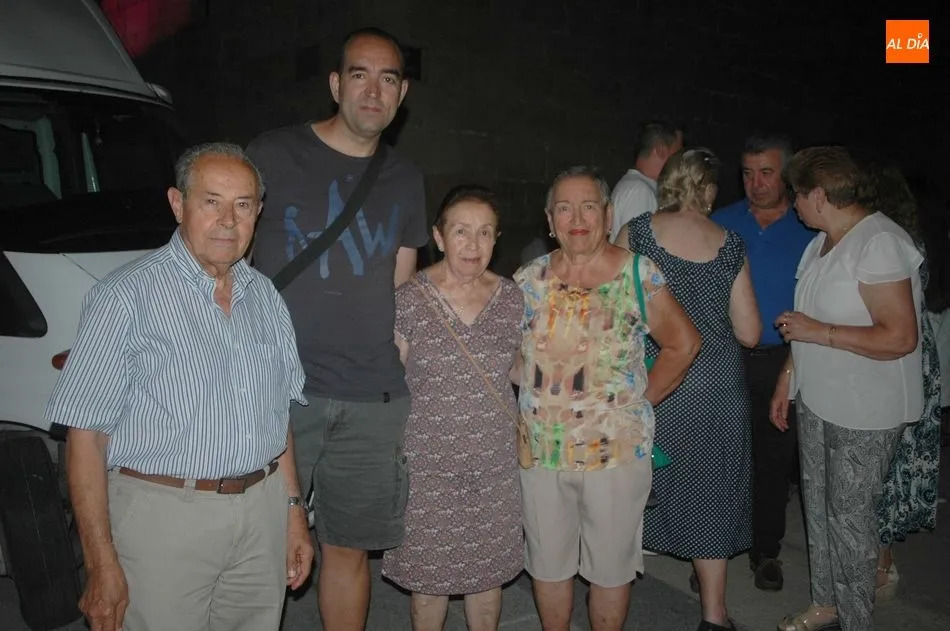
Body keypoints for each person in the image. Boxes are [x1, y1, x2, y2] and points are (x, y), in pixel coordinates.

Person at [44, 143, 313, 631]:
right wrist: (100, 562)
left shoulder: (266, 297)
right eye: (211, 201)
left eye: (243, 204)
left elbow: (279, 420)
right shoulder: (124, 296)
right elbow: (86, 437)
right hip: (162, 518)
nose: (228, 220)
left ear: (258, 212)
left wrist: (293, 512)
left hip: (262, 513)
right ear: (177, 203)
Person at [246, 27, 429, 631]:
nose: (373, 91)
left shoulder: (405, 178)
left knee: (348, 551)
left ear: (401, 94)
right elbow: (229, 258)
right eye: (359, 75)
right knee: (265, 543)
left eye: (387, 79)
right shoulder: (272, 154)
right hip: (280, 391)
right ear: (335, 84)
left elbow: (401, 288)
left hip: (370, 396)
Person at [516, 166, 700, 631]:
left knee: (610, 570)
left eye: (588, 207)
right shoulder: (529, 281)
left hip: (615, 455)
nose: (577, 219)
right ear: (549, 221)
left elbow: (683, 343)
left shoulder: (638, 272)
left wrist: (638, 402)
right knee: (548, 565)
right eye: (564, 208)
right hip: (541, 454)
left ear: (608, 214)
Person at [771, 146, 924, 631]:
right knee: (818, 510)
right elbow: (803, 322)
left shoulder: (880, 242)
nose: (794, 205)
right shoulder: (821, 242)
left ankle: (857, 620)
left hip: (866, 407)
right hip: (819, 396)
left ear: (818, 194)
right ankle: (826, 603)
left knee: (851, 521)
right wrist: (787, 379)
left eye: (797, 195)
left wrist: (819, 333)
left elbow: (899, 337)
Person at [617, 147, 760, 631]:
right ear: (710, 191)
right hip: (715, 388)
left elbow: (612, 309)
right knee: (710, 494)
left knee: (631, 490)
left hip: (655, 381)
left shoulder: (637, 234)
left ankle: (611, 593)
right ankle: (714, 616)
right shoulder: (730, 244)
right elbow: (749, 332)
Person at [381, 185, 523, 631]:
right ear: (439, 237)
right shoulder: (408, 299)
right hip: (428, 468)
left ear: (496, 239)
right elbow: (391, 380)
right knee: (429, 585)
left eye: (485, 232)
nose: (473, 244)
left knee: (488, 580)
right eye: (461, 231)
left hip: (494, 465)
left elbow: (521, 370)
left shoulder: (512, 298)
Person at [712, 134, 815, 591]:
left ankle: (766, 552)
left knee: (774, 459)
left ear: (786, 175)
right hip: (728, 357)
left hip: (783, 359)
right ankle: (712, 552)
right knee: (723, 458)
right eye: (748, 173)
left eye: (766, 172)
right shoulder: (723, 222)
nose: (756, 183)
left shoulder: (808, 227)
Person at [852, 160, 944, 600]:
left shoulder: (888, 243)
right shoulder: (912, 239)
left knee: (888, 459)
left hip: (896, 353)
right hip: (917, 354)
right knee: (893, 459)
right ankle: (879, 558)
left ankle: (882, 563)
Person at [608, 119, 683, 239]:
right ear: (661, 150)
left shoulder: (636, 187)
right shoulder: (640, 192)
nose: (681, 160)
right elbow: (637, 246)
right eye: (678, 151)